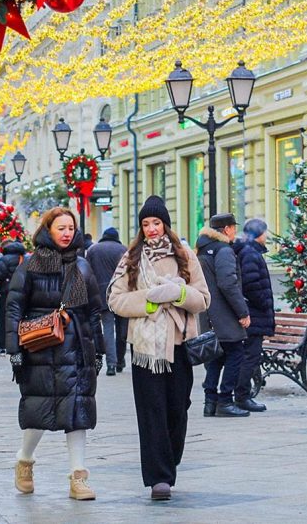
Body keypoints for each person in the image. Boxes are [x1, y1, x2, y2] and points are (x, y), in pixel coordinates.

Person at [107, 195, 210, 501]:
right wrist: (150, 300)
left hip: (179, 346)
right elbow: (115, 299)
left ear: (165, 224)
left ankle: (169, 459)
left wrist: (178, 293)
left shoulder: (184, 255)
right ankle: (158, 478)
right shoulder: (130, 259)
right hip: (146, 351)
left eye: (156, 222)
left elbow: (204, 299)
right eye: (146, 224)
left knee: (178, 410)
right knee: (152, 413)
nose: (151, 229)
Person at [5, 207, 106, 501]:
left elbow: (93, 311)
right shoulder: (31, 265)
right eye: (60, 228)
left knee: (78, 413)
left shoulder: (83, 266)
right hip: (40, 349)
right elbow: (14, 308)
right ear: (48, 230)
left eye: (70, 228)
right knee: (39, 411)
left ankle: (78, 478)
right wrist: (15, 350)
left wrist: (98, 350)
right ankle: (24, 460)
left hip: (77, 351)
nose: (66, 233)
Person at [196, 213, 251, 418]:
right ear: (226, 229)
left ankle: (210, 402)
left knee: (215, 357)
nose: (235, 232)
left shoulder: (202, 249)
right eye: (233, 228)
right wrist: (242, 312)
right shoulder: (224, 250)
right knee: (235, 353)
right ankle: (225, 401)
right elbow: (228, 283)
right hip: (225, 313)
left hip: (208, 312)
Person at [231, 218, 275, 412]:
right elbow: (251, 284)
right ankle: (242, 396)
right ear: (258, 234)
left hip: (253, 313)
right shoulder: (250, 253)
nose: (266, 236)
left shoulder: (250, 251)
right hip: (254, 314)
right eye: (264, 232)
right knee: (250, 356)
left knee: (248, 355)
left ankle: (240, 394)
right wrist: (264, 303)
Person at [86, 227, 128, 375]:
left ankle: (111, 364)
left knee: (108, 329)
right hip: (122, 294)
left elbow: (87, 273)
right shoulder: (123, 250)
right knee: (123, 330)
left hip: (102, 295)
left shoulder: (92, 250)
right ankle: (120, 361)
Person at [0, 239, 27, 356]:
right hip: (24, 293)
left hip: (7, 294)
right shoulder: (26, 258)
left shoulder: (4, 259)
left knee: (5, 320)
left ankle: (5, 347)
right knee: (22, 318)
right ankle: (23, 342)